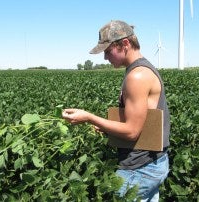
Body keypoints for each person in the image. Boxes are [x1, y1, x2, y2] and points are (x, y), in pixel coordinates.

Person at [62, 20, 170, 201]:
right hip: (154, 162)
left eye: (107, 51)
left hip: (140, 167)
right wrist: (106, 126)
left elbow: (132, 132)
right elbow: (141, 121)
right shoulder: (143, 68)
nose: (105, 57)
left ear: (125, 44)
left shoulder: (137, 76)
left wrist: (89, 117)